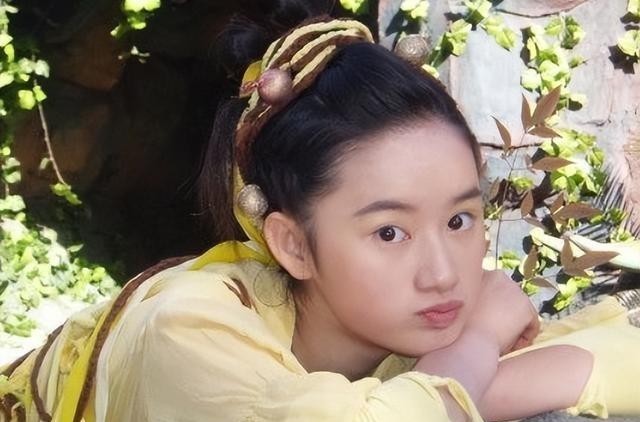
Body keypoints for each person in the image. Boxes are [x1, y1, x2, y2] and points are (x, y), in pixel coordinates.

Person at [2, 2, 640, 421]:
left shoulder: (411, 321)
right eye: (389, 232)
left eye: (458, 220)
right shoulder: (187, 330)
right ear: (294, 244)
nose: (443, 273)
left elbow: (620, 360)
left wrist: (459, 387)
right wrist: (475, 350)